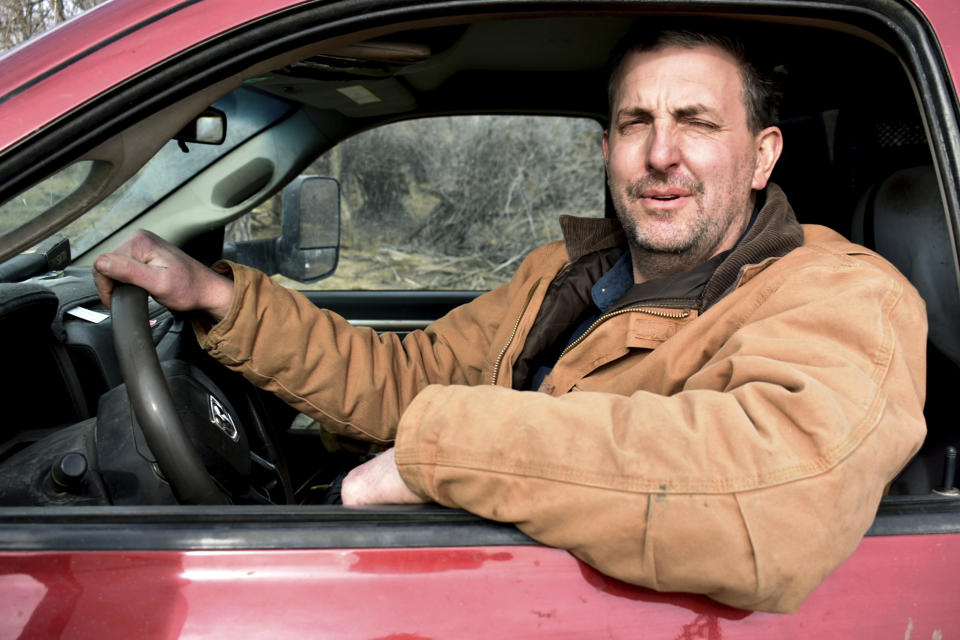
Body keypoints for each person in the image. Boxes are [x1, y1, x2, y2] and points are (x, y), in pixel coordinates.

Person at [92, 25, 927, 613]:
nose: (661, 153)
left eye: (698, 124)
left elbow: (772, 496)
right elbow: (407, 381)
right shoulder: (564, 275)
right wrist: (219, 298)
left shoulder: (842, 294)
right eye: (637, 123)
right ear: (606, 151)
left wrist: (436, 457)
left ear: (764, 155)